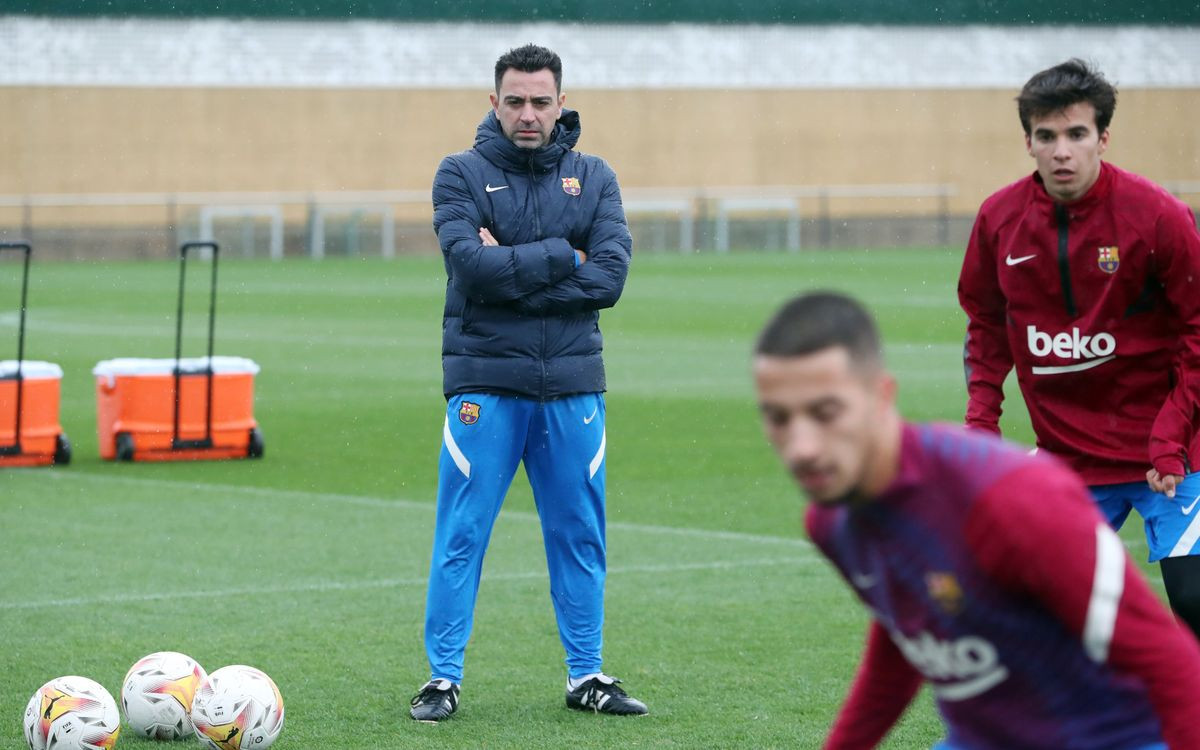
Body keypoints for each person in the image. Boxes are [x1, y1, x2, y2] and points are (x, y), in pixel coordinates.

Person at [753, 291, 1200, 750]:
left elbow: (1173, 665)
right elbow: (907, 631)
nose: (802, 446)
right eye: (778, 417)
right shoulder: (832, 522)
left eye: (826, 413)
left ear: (881, 395)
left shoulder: (1011, 500)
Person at [409, 43, 646, 722]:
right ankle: (442, 680)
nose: (528, 114)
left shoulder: (595, 176)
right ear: (494, 103)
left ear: (562, 104)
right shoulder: (459, 174)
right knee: (462, 534)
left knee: (579, 533)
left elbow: (609, 279)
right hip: (485, 385)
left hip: (573, 387)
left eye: (541, 101)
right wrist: (559, 258)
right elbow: (469, 269)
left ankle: (587, 677)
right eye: (515, 101)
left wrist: (511, 271)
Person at [957, 58, 1200, 638]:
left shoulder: (1159, 216)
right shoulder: (999, 219)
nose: (1061, 151)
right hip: (1067, 457)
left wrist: (1170, 437)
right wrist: (981, 426)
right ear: (1028, 142)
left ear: (1102, 138)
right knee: (1029, 613)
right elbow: (987, 328)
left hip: (1171, 455)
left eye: (1075, 134)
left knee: (1195, 604)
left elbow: (1197, 328)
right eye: (1047, 137)